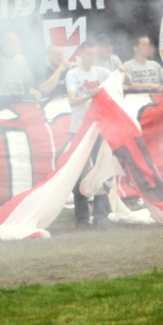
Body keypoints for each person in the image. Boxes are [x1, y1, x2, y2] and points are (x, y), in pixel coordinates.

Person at [62, 41, 113, 226]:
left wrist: (124, 71)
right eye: (89, 54)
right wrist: (89, 96)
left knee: (103, 171)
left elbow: (121, 80)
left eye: (94, 54)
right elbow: (72, 101)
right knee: (80, 174)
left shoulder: (101, 72)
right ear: (81, 54)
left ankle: (101, 216)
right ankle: (82, 218)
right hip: (80, 131)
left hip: (99, 129)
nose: (92, 58)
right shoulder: (73, 74)